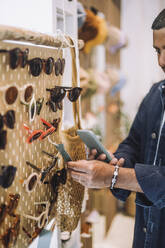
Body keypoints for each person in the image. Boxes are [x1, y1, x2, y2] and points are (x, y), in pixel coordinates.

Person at [67, 9, 165, 248]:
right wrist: (116, 161)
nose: (161, 61)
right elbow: (134, 142)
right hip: (147, 233)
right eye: (158, 51)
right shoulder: (156, 94)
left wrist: (114, 177)